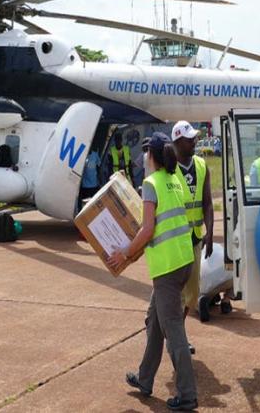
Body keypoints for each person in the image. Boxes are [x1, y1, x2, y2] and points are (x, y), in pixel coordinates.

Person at [107, 132, 198, 411]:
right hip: (184, 260)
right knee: (154, 322)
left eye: (146, 154)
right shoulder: (175, 179)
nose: (143, 158)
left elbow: (147, 230)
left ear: (152, 157)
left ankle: (187, 395)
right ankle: (145, 379)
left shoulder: (150, 183)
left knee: (174, 331)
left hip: (167, 268)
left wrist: (124, 252)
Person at [171, 121, 214, 325]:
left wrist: (210, 233)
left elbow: (207, 203)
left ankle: (175, 329)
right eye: (189, 139)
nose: (194, 142)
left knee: (194, 291)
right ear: (178, 142)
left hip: (196, 236)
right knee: (175, 289)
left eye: (194, 138)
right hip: (175, 239)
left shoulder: (201, 165)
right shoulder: (169, 169)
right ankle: (177, 334)